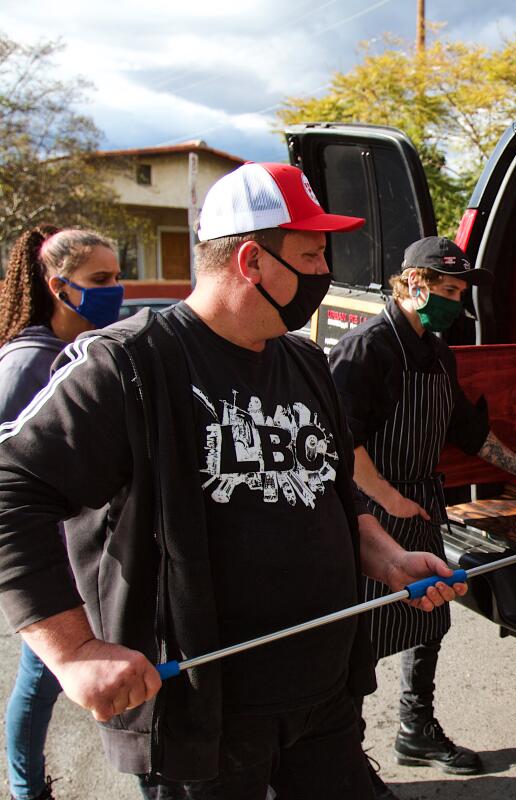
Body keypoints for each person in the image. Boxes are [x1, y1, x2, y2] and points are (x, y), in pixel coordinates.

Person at [0, 163, 466, 800]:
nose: (325, 272)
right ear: (252, 260)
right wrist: (73, 650)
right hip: (203, 716)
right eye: (311, 254)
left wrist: (389, 559)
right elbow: (11, 490)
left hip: (324, 701)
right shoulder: (127, 363)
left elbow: (330, 489)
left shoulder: (306, 361)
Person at [328, 236, 516, 776]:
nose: (456, 302)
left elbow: (466, 428)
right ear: (413, 284)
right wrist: (390, 497)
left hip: (420, 504)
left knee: (429, 620)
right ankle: (344, 760)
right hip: (370, 512)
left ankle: (416, 731)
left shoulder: (434, 349)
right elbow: (341, 438)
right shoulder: (366, 349)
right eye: (448, 289)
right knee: (361, 638)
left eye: (460, 291)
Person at [0, 225, 123, 800]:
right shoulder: (30, 363)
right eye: (101, 280)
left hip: (80, 547)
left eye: (118, 277)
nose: (115, 290)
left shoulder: (85, 352)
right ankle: (27, 789)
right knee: (40, 679)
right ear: (58, 286)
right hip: (49, 554)